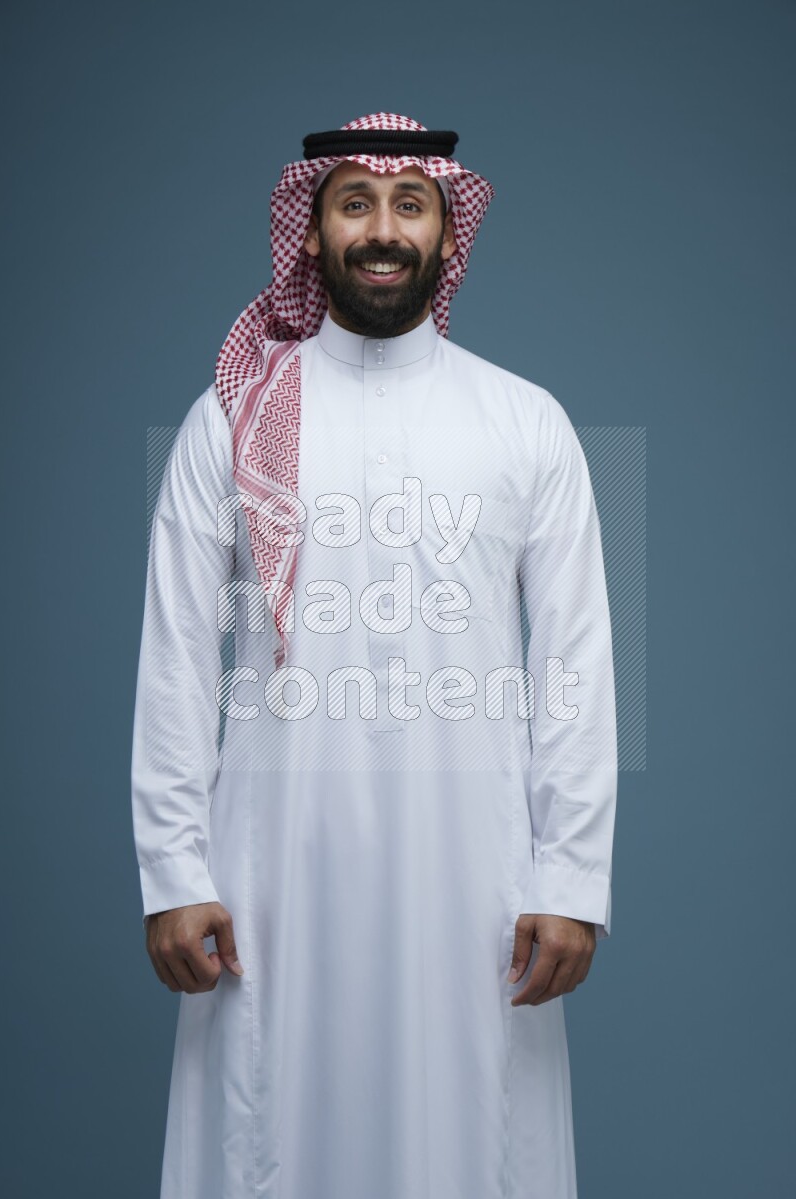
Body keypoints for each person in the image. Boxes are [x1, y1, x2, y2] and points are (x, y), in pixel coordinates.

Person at [131, 112, 618, 1199]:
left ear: (449, 232)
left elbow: (573, 664)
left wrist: (571, 875)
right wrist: (173, 868)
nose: (381, 230)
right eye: (353, 204)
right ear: (310, 233)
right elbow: (174, 650)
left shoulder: (523, 421)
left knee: (472, 1137)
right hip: (269, 869)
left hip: (475, 874)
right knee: (267, 1128)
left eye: (408, 205)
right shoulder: (233, 417)